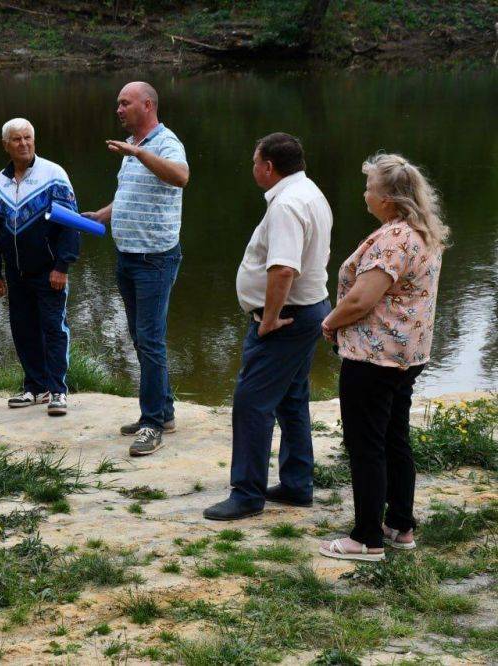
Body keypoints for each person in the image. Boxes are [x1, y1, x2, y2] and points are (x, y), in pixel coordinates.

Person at [319, 154, 448, 561]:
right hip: (407, 355)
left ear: (389, 198)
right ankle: (400, 526)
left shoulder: (394, 239)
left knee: (366, 444)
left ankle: (366, 538)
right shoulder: (422, 232)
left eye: (371, 188)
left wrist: (330, 322)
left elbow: (362, 298)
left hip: (375, 358)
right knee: (394, 437)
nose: (365, 194)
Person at [203, 133, 333, 521]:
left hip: (286, 318)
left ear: (268, 167)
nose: (253, 168)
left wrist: (270, 318)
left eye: (254, 161)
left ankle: (246, 494)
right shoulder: (310, 191)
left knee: (252, 403)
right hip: (308, 310)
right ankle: (296, 484)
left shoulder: (286, 205)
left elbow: (283, 268)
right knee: (291, 399)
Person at [83, 82, 189, 455]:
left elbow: (180, 176)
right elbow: (130, 194)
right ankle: (164, 411)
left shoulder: (165, 143)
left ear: (147, 105)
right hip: (128, 256)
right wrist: (103, 215)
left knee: (151, 339)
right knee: (142, 338)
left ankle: (152, 423)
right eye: (117, 103)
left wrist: (138, 153)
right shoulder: (135, 150)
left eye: (124, 103)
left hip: (154, 259)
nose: (119, 109)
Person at [0, 118, 79, 416]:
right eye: (17, 139)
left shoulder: (54, 175)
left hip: (49, 270)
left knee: (53, 328)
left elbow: (71, 226)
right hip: (16, 272)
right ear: (5, 145)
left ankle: (58, 390)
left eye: (28, 138)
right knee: (23, 329)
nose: (24, 144)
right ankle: (35, 387)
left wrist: (62, 266)